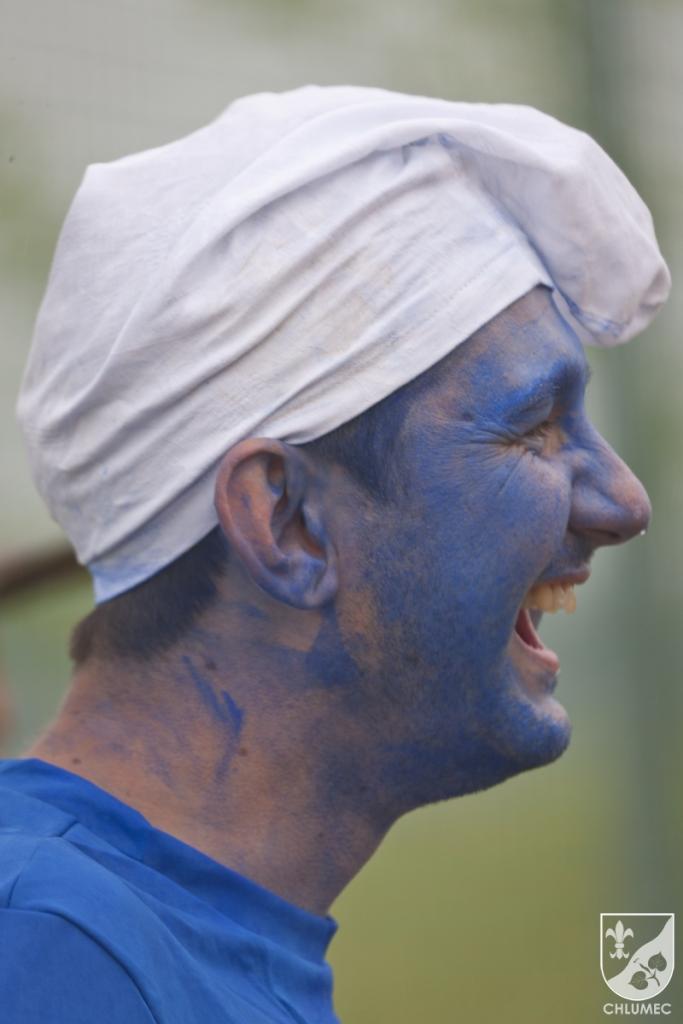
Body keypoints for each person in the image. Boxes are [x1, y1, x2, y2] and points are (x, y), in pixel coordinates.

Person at [1, 85, 669, 1022]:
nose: (623, 503)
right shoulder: (51, 957)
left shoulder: (140, 942)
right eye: (532, 427)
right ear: (286, 522)